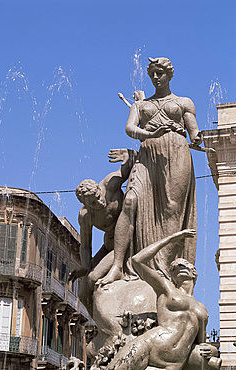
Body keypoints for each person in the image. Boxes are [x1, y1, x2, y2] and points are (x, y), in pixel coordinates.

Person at [99, 57, 202, 286]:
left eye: (160, 73)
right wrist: (150, 135)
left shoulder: (184, 102)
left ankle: (165, 269)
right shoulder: (139, 106)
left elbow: (193, 128)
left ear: (170, 75)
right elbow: (130, 128)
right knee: (130, 201)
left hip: (176, 153)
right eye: (152, 74)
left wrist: (196, 137)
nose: (156, 77)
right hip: (147, 156)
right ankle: (118, 265)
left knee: (173, 209)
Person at [106, 229, 218, 370]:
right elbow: (137, 260)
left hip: (174, 362)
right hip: (149, 345)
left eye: (184, 264)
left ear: (194, 272)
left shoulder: (201, 308)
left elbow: (200, 343)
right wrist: (171, 238)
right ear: (171, 275)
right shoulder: (167, 288)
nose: (179, 265)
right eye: (175, 267)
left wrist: (212, 350)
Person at [72, 149, 137, 315]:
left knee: (94, 279)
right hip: (109, 246)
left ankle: (109, 322)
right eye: (92, 203)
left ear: (99, 189)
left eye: (97, 197)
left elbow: (132, 166)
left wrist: (127, 157)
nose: (98, 203)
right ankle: (100, 326)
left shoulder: (110, 184)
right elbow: (86, 246)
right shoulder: (85, 215)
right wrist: (85, 266)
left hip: (127, 241)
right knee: (82, 292)